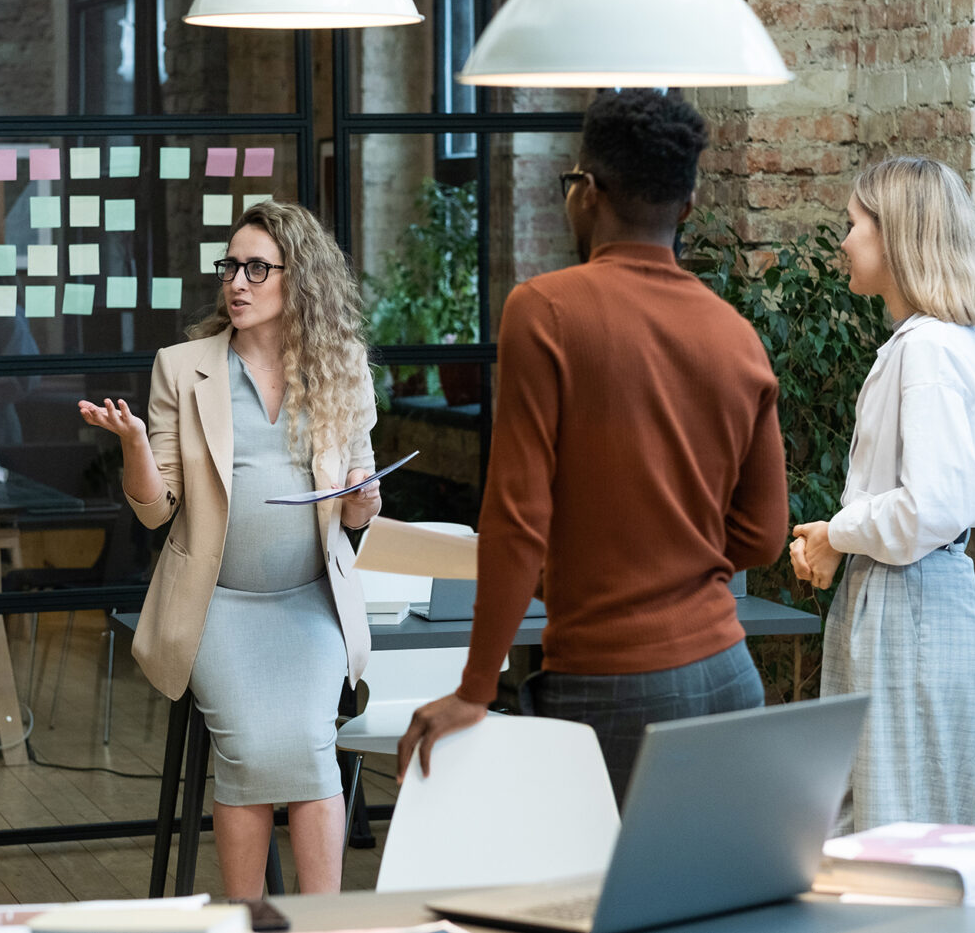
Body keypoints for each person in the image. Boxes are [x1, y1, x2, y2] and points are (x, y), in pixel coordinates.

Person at [396, 89, 789, 805]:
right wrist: (668, 553)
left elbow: (516, 519)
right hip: (729, 674)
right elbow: (764, 535)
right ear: (688, 206)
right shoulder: (738, 336)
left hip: (610, 684)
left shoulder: (544, 311)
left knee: (591, 908)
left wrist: (476, 688)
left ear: (588, 192)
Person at [78, 199, 380, 896]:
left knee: (309, 743)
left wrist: (363, 500)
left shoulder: (342, 367)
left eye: (256, 268)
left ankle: (322, 919)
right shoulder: (182, 368)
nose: (237, 283)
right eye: (230, 267)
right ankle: (250, 920)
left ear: (298, 279)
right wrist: (132, 448)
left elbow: (362, 485)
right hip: (219, 606)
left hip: (311, 606)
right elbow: (156, 510)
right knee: (245, 747)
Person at [789, 157, 975, 833]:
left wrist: (838, 531)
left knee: (900, 837)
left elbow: (931, 507)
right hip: (897, 594)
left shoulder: (930, 350)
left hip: (909, 599)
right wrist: (845, 539)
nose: (844, 240)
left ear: (896, 236)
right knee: (871, 829)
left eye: (854, 224)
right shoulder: (939, 343)